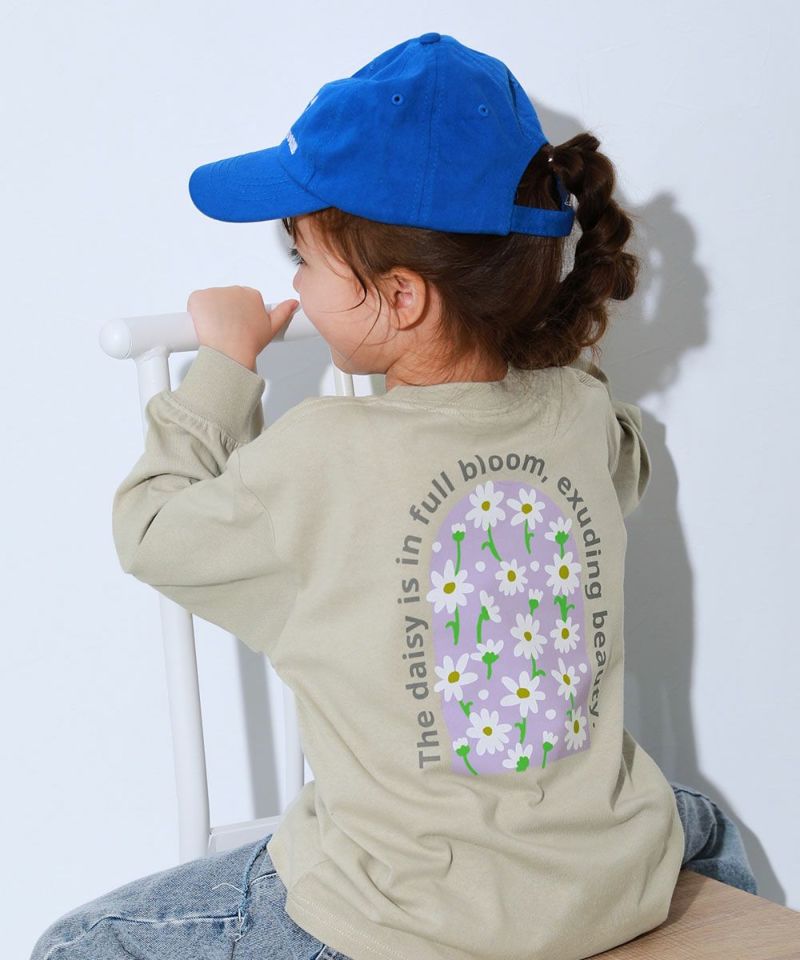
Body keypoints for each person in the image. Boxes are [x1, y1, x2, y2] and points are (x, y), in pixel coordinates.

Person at [30, 31, 758, 960]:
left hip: (408, 920)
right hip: (602, 885)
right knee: (690, 816)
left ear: (403, 296)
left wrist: (224, 364)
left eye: (301, 256)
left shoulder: (322, 456)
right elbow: (628, 461)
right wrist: (531, 358)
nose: (294, 283)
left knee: (75, 943)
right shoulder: (580, 416)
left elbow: (151, 529)